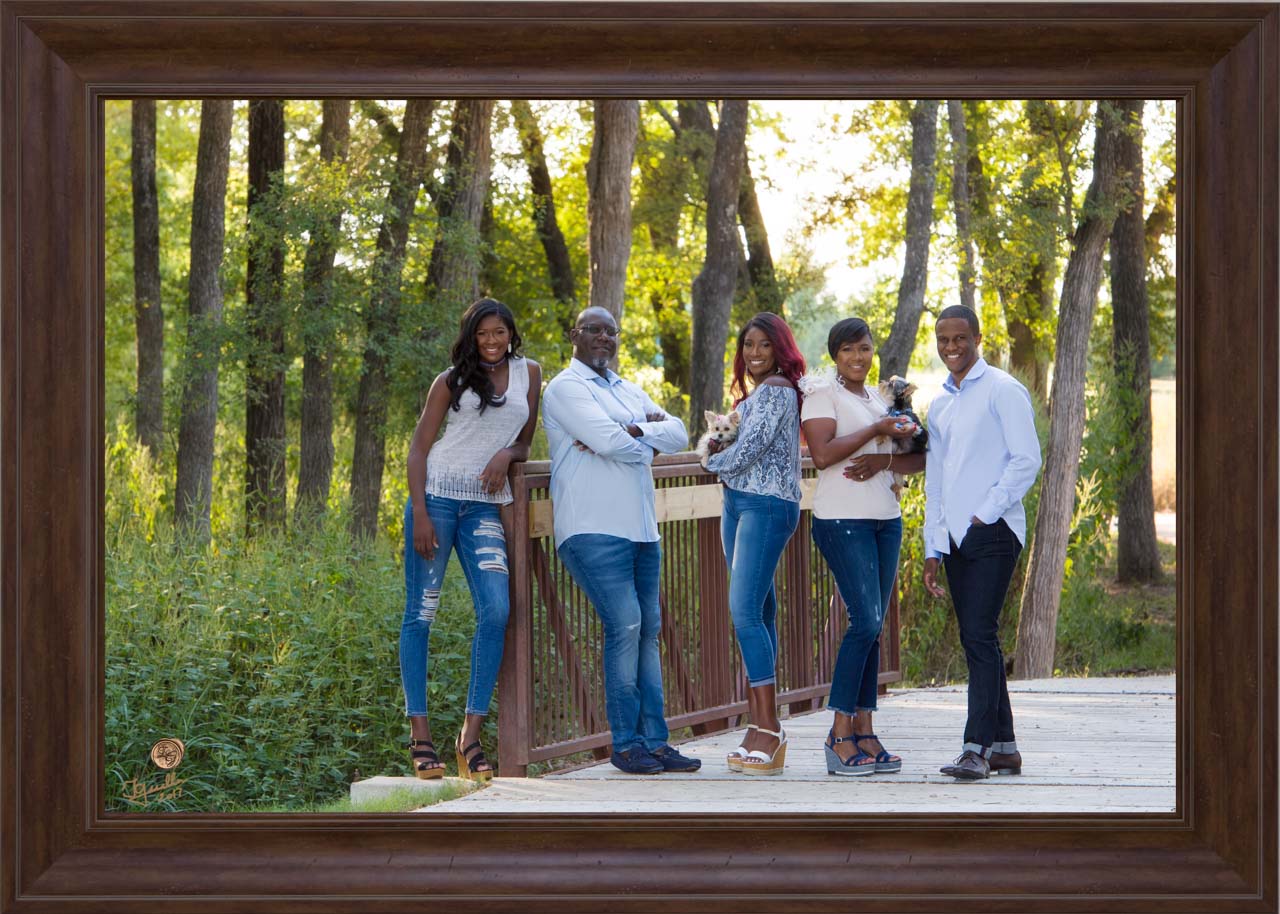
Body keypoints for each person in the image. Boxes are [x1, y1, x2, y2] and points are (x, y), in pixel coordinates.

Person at [541, 306, 700, 775]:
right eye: (593, 329)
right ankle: (626, 745)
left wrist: (634, 431)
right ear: (574, 334)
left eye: (611, 331)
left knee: (647, 633)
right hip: (591, 528)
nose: (603, 337)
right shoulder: (565, 388)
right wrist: (638, 439)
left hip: (642, 530)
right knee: (626, 625)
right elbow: (612, 444)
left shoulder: (627, 389)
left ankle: (656, 742)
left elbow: (679, 432)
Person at [401, 298, 541, 781]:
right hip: (436, 501)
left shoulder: (530, 375)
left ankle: (469, 737)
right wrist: (420, 512)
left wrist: (507, 455)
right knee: (421, 614)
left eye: (499, 332)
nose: (492, 342)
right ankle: (420, 737)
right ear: (470, 337)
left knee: (497, 610)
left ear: (510, 333)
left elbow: (526, 441)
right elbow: (419, 448)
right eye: (482, 334)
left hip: (484, 505)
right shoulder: (450, 381)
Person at [800, 318, 924, 776]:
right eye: (849, 349)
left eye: (866, 349)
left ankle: (866, 731)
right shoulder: (822, 395)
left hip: (885, 521)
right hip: (841, 518)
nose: (858, 357)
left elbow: (918, 459)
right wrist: (877, 429)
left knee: (874, 625)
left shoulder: (882, 397)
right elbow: (823, 455)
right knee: (865, 620)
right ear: (836, 354)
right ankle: (838, 732)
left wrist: (883, 456)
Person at [922, 304, 1041, 780]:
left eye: (960, 339)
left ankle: (976, 748)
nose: (951, 347)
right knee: (980, 637)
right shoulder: (940, 403)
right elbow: (935, 479)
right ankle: (1006, 747)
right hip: (953, 538)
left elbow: (1026, 460)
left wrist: (984, 512)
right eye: (943, 340)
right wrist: (933, 547)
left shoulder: (1003, 390)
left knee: (978, 634)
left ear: (977, 338)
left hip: (994, 530)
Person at [703, 312, 806, 776]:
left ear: (780, 348)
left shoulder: (779, 391)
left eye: (765, 345)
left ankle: (770, 725)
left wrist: (708, 461)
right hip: (738, 503)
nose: (755, 353)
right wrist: (719, 460)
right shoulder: (752, 397)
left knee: (743, 611)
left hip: (766, 505)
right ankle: (758, 723)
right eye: (748, 345)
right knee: (759, 612)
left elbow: (749, 449)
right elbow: (730, 446)